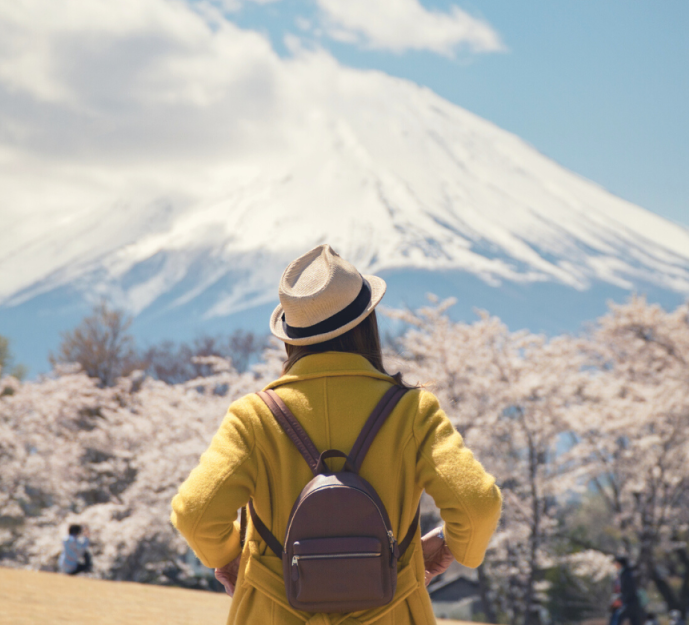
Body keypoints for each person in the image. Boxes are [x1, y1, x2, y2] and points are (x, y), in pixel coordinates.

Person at [172, 245, 503, 624]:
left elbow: (195, 515)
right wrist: (449, 545)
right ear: (367, 323)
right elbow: (478, 505)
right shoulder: (412, 411)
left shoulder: (254, 417)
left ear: (290, 336)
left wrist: (232, 555)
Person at [610, 556, 644, 625]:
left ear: (620, 563)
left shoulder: (626, 574)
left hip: (629, 603)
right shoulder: (626, 573)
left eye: (616, 563)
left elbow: (629, 590)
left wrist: (621, 599)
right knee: (635, 621)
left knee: (618, 617)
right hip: (633, 603)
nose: (615, 565)